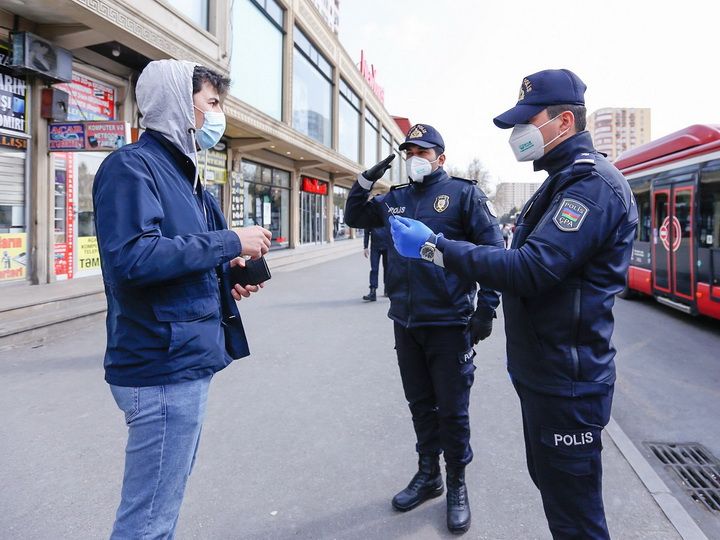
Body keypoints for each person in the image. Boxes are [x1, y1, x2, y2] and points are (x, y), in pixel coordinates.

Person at [390, 69, 638, 539]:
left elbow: (529, 268)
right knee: (556, 496)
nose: (518, 134)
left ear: (564, 122)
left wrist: (433, 248)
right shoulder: (559, 181)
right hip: (545, 376)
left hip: (568, 385)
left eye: (528, 120)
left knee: (576, 520)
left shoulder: (591, 186)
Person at [93, 59, 272, 539]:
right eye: (212, 103)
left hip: (185, 360)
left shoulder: (187, 175)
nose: (218, 116)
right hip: (160, 366)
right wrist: (230, 242)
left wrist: (226, 276)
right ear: (178, 102)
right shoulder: (130, 167)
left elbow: (180, 258)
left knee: (160, 511)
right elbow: (133, 259)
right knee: (148, 522)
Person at [345, 124, 503, 534]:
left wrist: (486, 307)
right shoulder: (394, 198)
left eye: (422, 150)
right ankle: (427, 474)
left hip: (450, 324)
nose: (414, 155)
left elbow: (493, 251)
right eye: (408, 149)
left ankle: (457, 485)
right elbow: (354, 214)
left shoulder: (465, 195)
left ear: (440, 157)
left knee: (452, 410)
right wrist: (365, 181)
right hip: (406, 321)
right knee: (420, 405)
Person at [362, 225, 389, 301]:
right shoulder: (371, 216)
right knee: (374, 269)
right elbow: (366, 231)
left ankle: (387, 290)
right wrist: (365, 247)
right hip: (375, 247)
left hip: (387, 246)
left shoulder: (386, 214)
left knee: (387, 268)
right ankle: (373, 292)